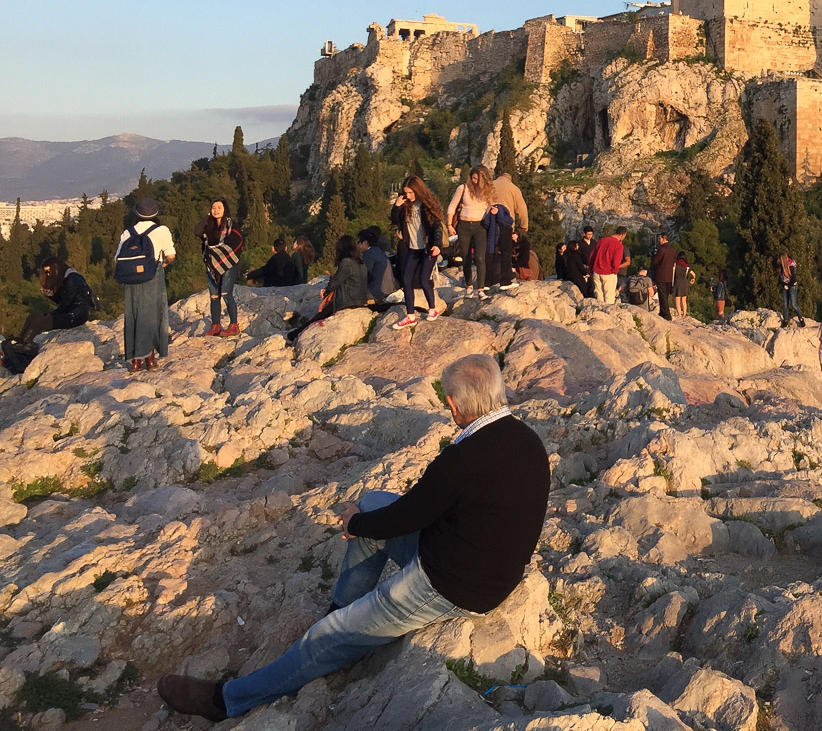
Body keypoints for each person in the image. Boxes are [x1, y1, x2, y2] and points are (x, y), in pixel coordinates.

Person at [155, 353, 550, 722]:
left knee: (326, 635)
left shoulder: (462, 460)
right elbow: (423, 509)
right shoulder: (527, 441)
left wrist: (355, 525)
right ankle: (344, 608)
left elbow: (410, 515)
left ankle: (226, 701)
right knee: (374, 503)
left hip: (452, 586)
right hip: (478, 563)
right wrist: (364, 519)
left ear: (453, 404)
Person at [2, 258, 97, 375]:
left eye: (49, 271)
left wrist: (51, 311)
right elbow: (66, 302)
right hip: (73, 312)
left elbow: (66, 303)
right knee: (33, 317)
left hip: (76, 315)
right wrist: (52, 297)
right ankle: (22, 343)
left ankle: (23, 348)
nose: (48, 274)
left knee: (39, 322)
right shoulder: (69, 276)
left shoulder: (72, 279)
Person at [116, 197, 176, 373]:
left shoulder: (127, 233)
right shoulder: (162, 230)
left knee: (133, 315)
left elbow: (117, 258)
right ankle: (150, 359)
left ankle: (135, 361)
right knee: (151, 315)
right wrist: (164, 263)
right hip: (152, 275)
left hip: (130, 279)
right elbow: (171, 256)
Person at [287, 236, 369, 342]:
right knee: (322, 314)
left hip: (348, 301)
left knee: (321, 315)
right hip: (360, 299)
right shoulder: (361, 262)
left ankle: (295, 334)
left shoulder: (346, 262)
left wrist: (326, 292)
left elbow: (335, 282)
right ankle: (295, 333)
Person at [390, 176, 446, 329]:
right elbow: (394, 220)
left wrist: (437, 245)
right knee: (406, 280)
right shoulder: (405, 205)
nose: (408, 196)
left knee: (423, 279)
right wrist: (397, 206)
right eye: (406, 193)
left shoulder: (427, 204)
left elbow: (437, 226)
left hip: (428, 248)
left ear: (418, 190)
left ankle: (432, 309)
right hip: (413, 248)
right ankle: (410, 316)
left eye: (411, 192)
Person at [194, 198, 244, 338]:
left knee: (226, 294)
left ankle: (234, 325)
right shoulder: (209, 226)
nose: (215, 210)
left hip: (228, 263)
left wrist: (217, 252)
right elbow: (197, 231)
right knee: (214, 296)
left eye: (219, 207)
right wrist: (206, 217)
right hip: (212, 265)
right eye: (213, 207)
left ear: (225, 210)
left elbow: (235, 243)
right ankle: (215, 325)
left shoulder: (231, 225)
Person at [446, 166, 495, 299]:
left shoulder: (488, 191)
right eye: (473, 178)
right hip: (464, 225)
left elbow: (492, 206)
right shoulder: (463, 188)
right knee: (466, 257)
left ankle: (481, 289)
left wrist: (494, 211)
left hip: (480, 226)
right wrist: (449, 225)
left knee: (480, 257)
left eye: (477, 179)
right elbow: (452, 206)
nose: (475, 181)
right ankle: (469, 287)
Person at [588, 227, 626, 304]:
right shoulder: (618, 245)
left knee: (599, 297)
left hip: (597, 272)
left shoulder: (601, 241)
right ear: (623, 235)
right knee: (609, 297)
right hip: (608, 273)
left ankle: (599, 310)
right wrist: (615, 271)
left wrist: (591, 270)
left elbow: (592, 256)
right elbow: (616, 261)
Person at [483, 202, 517, 290]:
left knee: (489, 254)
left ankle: (486, 283)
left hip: (489, 231)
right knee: (506, 254)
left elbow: (485, 222)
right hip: (504, 229)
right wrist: (523, 226)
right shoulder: (505, 215)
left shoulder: (487, 204)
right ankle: (505, 282)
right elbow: (521, 209)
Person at [358, 228, 397, 302]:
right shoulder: (378, 251)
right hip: (388, 289)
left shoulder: (368, 253)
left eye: (359, 242)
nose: (358, 245)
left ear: (365, 242)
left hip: (376, 291)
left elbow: (365, 274)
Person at [649, 233, 678, 321]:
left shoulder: (662, 250)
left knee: (662, 296)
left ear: (663, 239)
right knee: (665, 295)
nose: (659, 240)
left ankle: (666, 314)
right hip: (669, 276)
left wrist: (653, 255)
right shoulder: (673, 250)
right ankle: (662, 312)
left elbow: (655, 262)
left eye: (659, 239)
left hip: (661, 275)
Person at [778, 253, 805, 327]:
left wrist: (788, 286)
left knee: (793, 304)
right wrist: (783, 285)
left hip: (792, 286)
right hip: (785, 286)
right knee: (785, 304)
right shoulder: (782, 267)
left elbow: (793, 279)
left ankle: (801, 318)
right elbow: (780, 278)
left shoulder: (791, 267)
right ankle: (785, 320)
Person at [673, 254, 695, 320]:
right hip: (685, 283)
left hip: (677, 283)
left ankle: (679, 314)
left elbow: (672, 274)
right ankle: (684, 314)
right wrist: (693, 279)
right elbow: (693, 274)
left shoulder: (675, 264)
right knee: (684, 300)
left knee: (677, 300)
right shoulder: (687, 266)